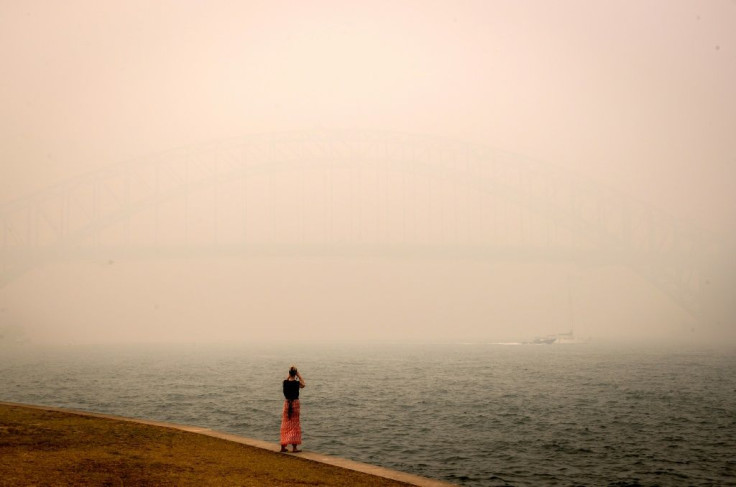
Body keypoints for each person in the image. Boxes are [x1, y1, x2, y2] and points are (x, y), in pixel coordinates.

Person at [280, 365, 305, 452]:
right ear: (295, 374)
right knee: (295, 425)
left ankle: (283, 446)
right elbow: (303, 385)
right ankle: (294, 448)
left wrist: (290, 374)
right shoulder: (297, 383)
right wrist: (299, 375)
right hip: (295, 404)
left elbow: (287, 380)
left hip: (287, 404)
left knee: (285, 424)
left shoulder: (285, 382)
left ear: (289, 373)